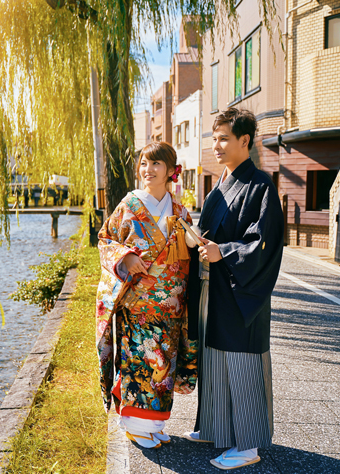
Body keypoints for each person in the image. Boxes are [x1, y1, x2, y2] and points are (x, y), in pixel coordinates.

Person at [182, 108, 284, 470]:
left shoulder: (261, 186)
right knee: (215, 359)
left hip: (241, 291)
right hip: (216, 289)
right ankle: (215, 427)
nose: (217, 145)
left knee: (241, 363)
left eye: (224, 137)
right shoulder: (220, 186)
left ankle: (247, 444)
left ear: (246, 141)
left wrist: (222, 251)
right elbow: (212, 234)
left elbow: (264, 244)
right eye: (215, 137)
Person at [96, 141, 199, 450]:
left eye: (156, 164)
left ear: (171, 171)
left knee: (163, 368)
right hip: (137, 305)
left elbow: (192, 249)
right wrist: (124, 258)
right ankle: (135, 425)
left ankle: (155, 423)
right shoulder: (128, 205)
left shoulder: (179, 210)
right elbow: (105, 240)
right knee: (139, 365)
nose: (148, 170)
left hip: (171, 308)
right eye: (143, 163)